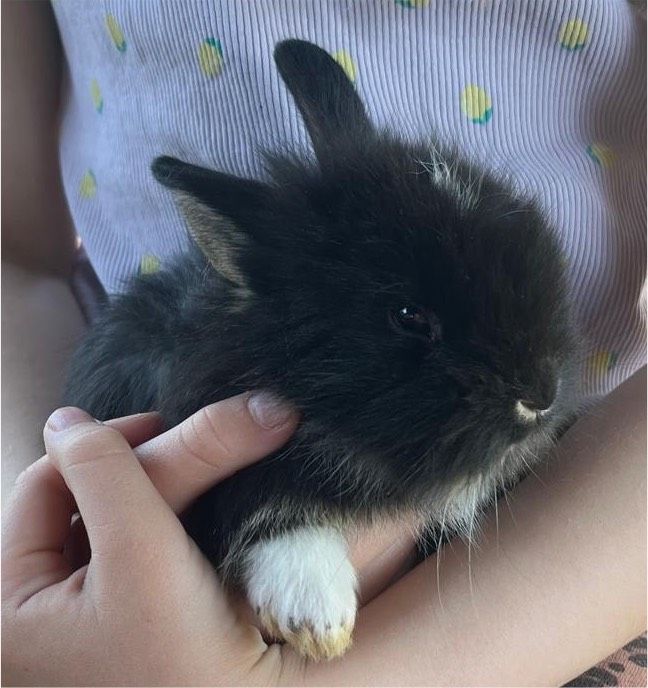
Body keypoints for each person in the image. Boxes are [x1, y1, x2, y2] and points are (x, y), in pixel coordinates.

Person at [2, 2, 645, 685]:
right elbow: (14, 252)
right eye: (410, 319)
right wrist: (40, 529)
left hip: (586, 536)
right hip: (129, 581)